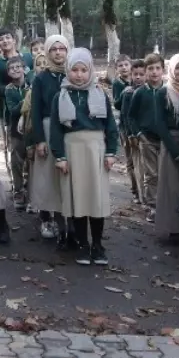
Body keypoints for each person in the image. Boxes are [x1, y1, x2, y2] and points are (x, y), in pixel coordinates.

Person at [51, 48, 118, 265]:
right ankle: (82, 244)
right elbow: (55, 130)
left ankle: (98, 245)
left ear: (90, 71)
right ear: (68, 71)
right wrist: (59, 157)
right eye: (74, 70)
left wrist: (110, 152)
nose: (79, 75)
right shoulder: (60, 96)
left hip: (96, 150)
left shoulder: (99, 93)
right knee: (78, 199)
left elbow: (111, 126)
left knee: (95, 200)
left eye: (83, 70)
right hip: (72, 151)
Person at [27, 34, 70, 244]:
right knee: (45, 176)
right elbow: (35, 110)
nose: (58, 53)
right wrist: (39, 140)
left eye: (62, 49)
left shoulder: (74, 73)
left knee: (64, 174)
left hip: (69, 131)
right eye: (54, 49)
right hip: (46, 127)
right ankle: (45, 217)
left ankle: (65, 217)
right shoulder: (41, 78)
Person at [155, 54, 179, 244]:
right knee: (173, 188)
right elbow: (160, 124)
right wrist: (175, 151)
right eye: (178, 67)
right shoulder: (163, 92)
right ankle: (175, 229)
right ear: (171, 69)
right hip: (172, 143)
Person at [127, 53, 167, 217]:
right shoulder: (140, 93)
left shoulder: (168, 91)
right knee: (151, 174)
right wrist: (138, 133)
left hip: (166, 139)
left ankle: (166, 204)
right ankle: (153, 206)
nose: (154, 72)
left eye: (158, 68)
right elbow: (131, 116)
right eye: (150, 69)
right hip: (147, 139)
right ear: (145, 71)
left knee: (165, 173)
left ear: (163, 70)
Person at [3, 56, 30, 211]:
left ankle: (32, 192)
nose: (15, 70)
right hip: (15, 130)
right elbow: (13, 110)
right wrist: (26, 101)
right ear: (8, 72)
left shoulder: (32, 85)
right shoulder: (9, 89)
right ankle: (18, 190)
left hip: (31, 128)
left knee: (32, 161)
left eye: (18, 67)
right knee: (17, 161)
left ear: (23, 68)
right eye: (12, 68)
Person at [119, 59, 146, 204]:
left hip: (143, 133)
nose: (138, 77)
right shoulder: (128, 93)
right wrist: (130, 134)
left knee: (142, 164)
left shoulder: (147, 91)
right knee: (132, 162)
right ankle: (136, 191)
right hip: (128, 133)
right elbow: (125, 115)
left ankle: (144, 193)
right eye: (135, 74)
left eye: (142, 74)